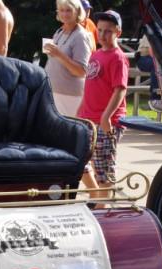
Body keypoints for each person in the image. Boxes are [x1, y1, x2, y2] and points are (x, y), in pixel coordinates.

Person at [77, 10, 128, 200]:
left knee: (104, 166)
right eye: (99, 30)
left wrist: (107, 116)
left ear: (118, 32)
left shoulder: (118, 57)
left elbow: (120, 89)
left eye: (108, 31)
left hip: (107, 120)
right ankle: (96, 196)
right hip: (89, 118)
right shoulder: (96, 55)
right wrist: (80, 111)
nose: (102, 35)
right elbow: (90, 85)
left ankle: (103, 205)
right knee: (80, 160)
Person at [44, 0, 92, 117]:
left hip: (70, 96)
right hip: (52, 92)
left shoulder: (81, 36)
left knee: (67, 132)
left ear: (77, 12)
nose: (65, 14)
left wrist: (59, 54)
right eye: (62, 10)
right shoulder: (59, 32)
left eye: (69, 10)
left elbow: (81, 71)